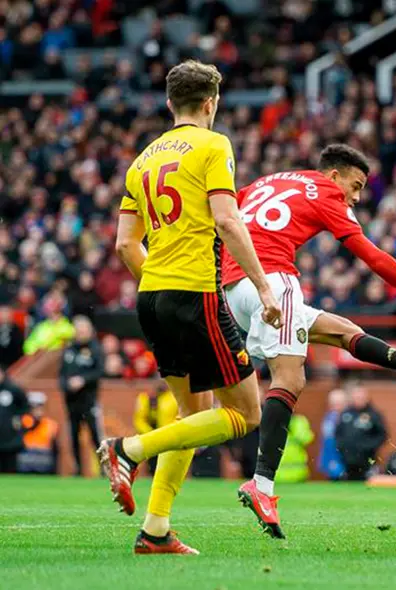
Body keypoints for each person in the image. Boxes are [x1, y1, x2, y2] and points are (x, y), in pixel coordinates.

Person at [220, 144, 396, 539]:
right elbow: (374, 258)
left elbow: (222, 219)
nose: (356, 198)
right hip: (273, 280)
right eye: (355, 186)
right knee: (290, 379)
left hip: (235, 286)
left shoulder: (266, 182)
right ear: (334, 175)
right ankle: (262, 485)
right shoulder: (326, 192)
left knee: (340, 330)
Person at [100, 59, 283, 555]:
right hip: (195, 293)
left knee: (191, 411)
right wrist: (264, 288)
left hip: (151, 296)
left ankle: (155, 530)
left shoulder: (142, 159)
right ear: (210, 103)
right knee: (246, 413)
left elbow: (124, 244)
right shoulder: (213, 144)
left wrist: (159, 285)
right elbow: (227, 219)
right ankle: (128, 449)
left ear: (169, 103)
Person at [59, 316, 105, 475]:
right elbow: (62, 373)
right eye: (78, 330)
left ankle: (104, 468)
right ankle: (77, 469)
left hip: (89, 400)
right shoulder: (69, 349)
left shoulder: (95, 349)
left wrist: (83, 380)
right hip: (72, 401)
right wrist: (66, 385)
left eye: (83, 330)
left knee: (95, 436)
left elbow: (99, 371)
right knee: (73, 435)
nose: (80, 334)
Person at [334, 383, 387, 481]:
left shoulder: (374, 415)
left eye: (361, 397)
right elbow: (338, 433)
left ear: (366, 397)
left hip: (367, 460)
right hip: (347, 460)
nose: (359, 399)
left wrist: (368, 447)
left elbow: (382, 435)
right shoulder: (346, 413)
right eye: (357, 397)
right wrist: (342, 448)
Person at [133, 382, 179, 475]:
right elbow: (139, 420)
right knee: (153, 465)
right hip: (153, 438)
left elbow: (177, 417)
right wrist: (150, 433)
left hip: (168, 437)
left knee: (169, 466)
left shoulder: (172, 398)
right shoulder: (145, 398)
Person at [17, 392, 59, 474]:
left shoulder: (51, 424)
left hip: (44, 464)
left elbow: (55, 450)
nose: (36, 410)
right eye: (33, 407)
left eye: (39, 407)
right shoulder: (22, 422)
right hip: (25, 463)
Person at [0, 366, 28, 473]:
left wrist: (18, 418)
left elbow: (25, 406)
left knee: (10, 464)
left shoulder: (13, 389)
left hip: (10, 434)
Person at [318, 389, 347, 480]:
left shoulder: (348, 417)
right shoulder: (329, 417)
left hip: (346, 457)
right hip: (332, 456)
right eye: (333, 403)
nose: (336, 406)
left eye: (339, 403)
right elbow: (327, 440)